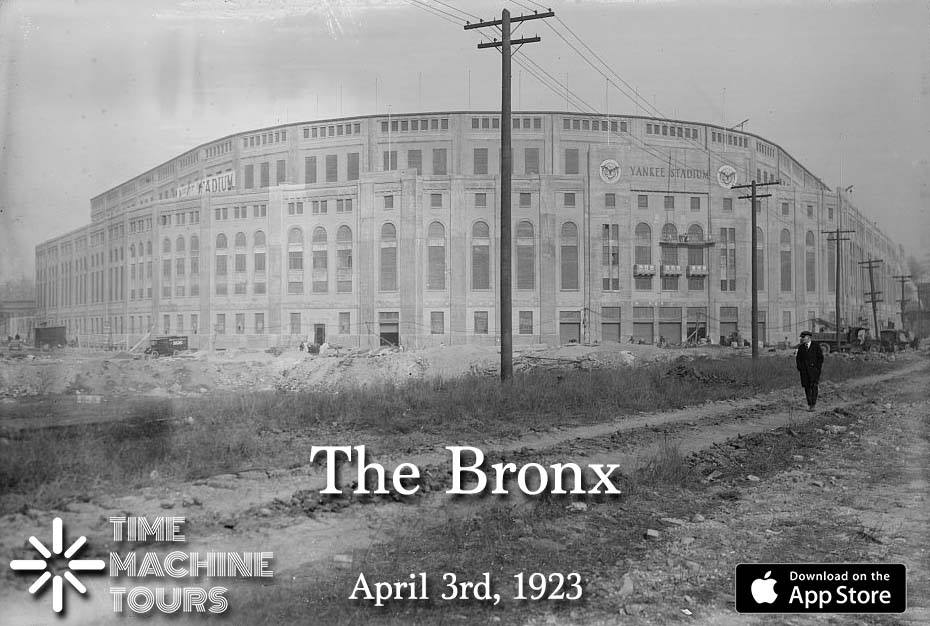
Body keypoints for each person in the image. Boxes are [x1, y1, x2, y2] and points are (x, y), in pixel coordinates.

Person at [796, 330, 824, 411]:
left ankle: (813, 404)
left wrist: (817, 368)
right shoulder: (801, 347)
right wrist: (800, 368)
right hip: (804, 372)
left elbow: (820, 358)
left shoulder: (816, 346)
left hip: (814, 371)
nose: (802, 339)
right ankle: (809, 404)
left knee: (814, 387)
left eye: (803, 337)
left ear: (808, 337)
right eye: (802, 337)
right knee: (807, 388)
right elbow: (798, 359)